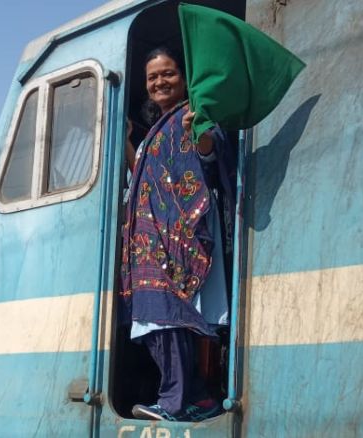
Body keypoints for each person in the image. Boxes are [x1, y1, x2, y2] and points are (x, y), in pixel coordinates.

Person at [119, 47, 238, 422]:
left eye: (168, 73)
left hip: (180, 234)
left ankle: (174, 402)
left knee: (164, 317)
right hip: (154, 238)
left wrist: (198, 132)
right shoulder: (160, 127)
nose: (159, 82)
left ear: (184, 78)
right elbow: (143, 171)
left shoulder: (191, 115)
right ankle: (198, 398)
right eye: (153, 77)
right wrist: (125, 139)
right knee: (161, 319)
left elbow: (208, 155)